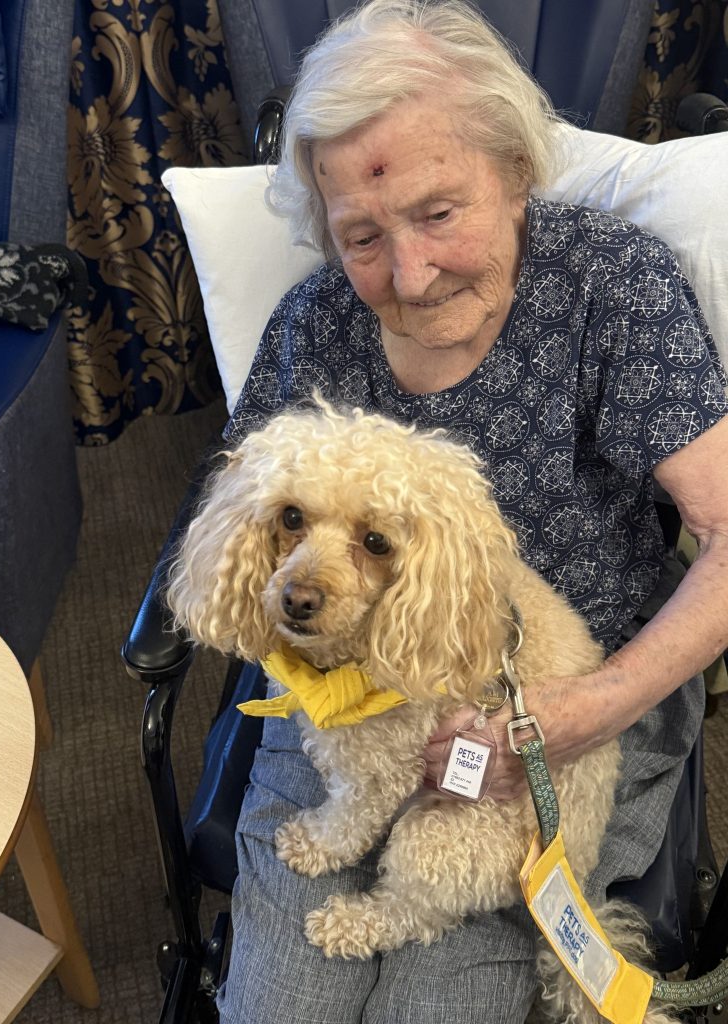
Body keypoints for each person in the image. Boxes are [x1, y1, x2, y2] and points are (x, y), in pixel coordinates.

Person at [214, 2, 728, 1021]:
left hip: (569, 692)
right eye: (362, 236)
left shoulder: (612, 290)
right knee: (280, 1003)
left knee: (439, 997)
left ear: (515, 169)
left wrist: (581, 713)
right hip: (343, 692)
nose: (409, 275)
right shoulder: (315, 327)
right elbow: (240, 531)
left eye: (439, 212)